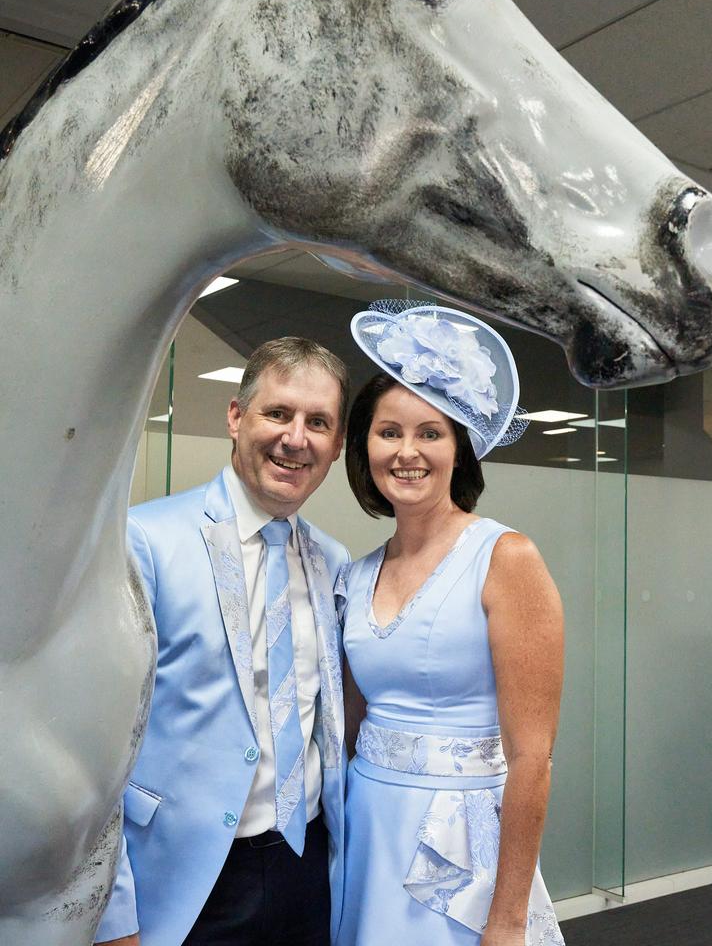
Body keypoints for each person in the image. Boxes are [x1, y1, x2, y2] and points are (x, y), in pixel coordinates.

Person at [96, 337, 350, 946]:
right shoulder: (143, 543)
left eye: (318, 422)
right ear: (236, 418)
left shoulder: (331, 561)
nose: (297, 438)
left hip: (308, 864)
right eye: (278, 413)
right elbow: (95, 751)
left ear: (337, 446)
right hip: (184, 884)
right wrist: (112, 917)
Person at [336, 302, 565, 946]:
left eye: (430, 433)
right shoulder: (354, 576)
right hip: (368, 828)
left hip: (460, 849)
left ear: (459, 446)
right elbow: (351, 728)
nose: (407, 453)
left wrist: (508, 919)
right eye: (388, 433)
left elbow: (533, 758)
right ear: (365, 446)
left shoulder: (505, 557)